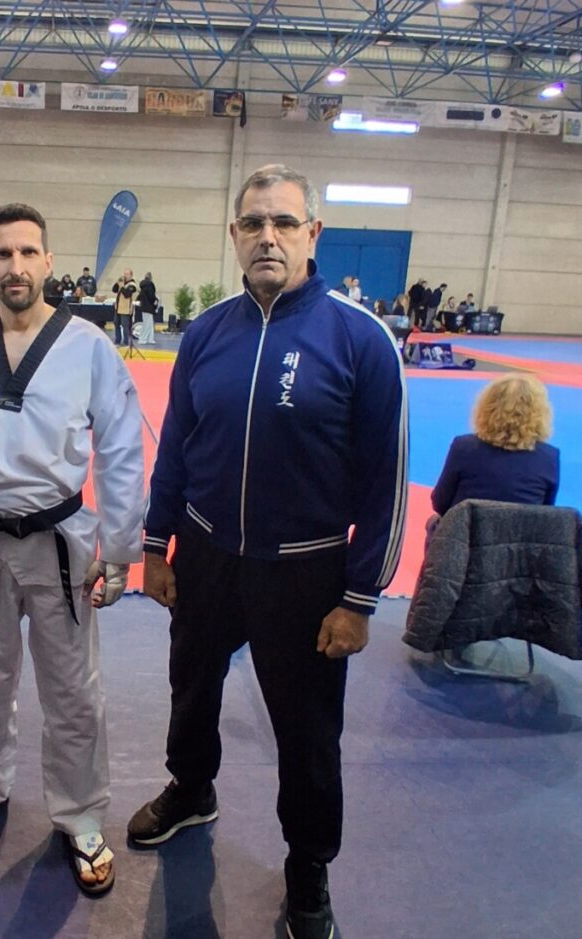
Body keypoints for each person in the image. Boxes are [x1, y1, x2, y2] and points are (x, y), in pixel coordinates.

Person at [131, 164, 407, 939]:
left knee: (308, 731)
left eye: (284, 223)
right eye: (253, 224)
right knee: (192, 687)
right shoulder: (207, 332)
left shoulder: (361, 339)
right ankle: (191, 789)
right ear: (234, 235)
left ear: (312, 234)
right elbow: (176, 446)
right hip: (208, 556)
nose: (268, 237)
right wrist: (156, 546)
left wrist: (359, 597)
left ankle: (308, 868)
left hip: (308, 570)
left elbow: (386, 482)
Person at [0, 202, 145, 897]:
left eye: (27, 253)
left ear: (48, 262)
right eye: (2, 253)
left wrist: (123, 543)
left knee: (74, 693)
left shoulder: (90, 347)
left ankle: (78, 813)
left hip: (60, 541)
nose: (15, 266)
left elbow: (123, 447)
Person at [429, 374, 558, 524]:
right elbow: (545, 511)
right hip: (519, 542)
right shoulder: (549, 457)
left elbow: (440, 503)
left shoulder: (464, 447)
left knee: (434, 523)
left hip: (466, 540)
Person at [112, 268, 138, 346]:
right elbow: (114, 290)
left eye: (127, 274)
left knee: (125, 325)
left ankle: (126, 341)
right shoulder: (122, 283)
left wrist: (122, 287)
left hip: (126, 308)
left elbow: (127, 295)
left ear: (131, 275)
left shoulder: (132, 285)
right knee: (116, 323)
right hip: (118, 308)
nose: (125, 276)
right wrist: (117, 283)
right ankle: (117, 339)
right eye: (124, 274)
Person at [137, 272, 158, 344]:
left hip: (144, 307)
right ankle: (143, 339)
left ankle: (150, 338)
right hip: (149, 307)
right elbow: (151, 296)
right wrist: (155, 301)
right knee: (147, 324)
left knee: (149, 323)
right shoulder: (150, 286)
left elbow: (139, 296)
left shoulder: (143, 287)